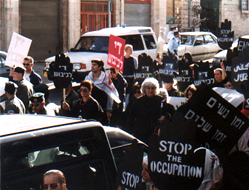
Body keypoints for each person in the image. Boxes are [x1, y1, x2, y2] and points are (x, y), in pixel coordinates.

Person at [126, 77, 175, 144]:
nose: (150, 90)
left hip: (155, 134)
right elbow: (130, 119)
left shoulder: (160, 101)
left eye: (153, 88)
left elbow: (170, 113)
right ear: (144, 89)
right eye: (148, 88)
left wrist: (165, 117)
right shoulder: (138, 102)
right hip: (140, 134)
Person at [85, 59, 120, 124]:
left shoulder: (106, 79)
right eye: (92, 65)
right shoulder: (88, 78)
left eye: (95, 65)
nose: (92, 67)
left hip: (102, 109)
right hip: (90, 108)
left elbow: (110, 94)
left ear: (100, 67)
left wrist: (109, 110)